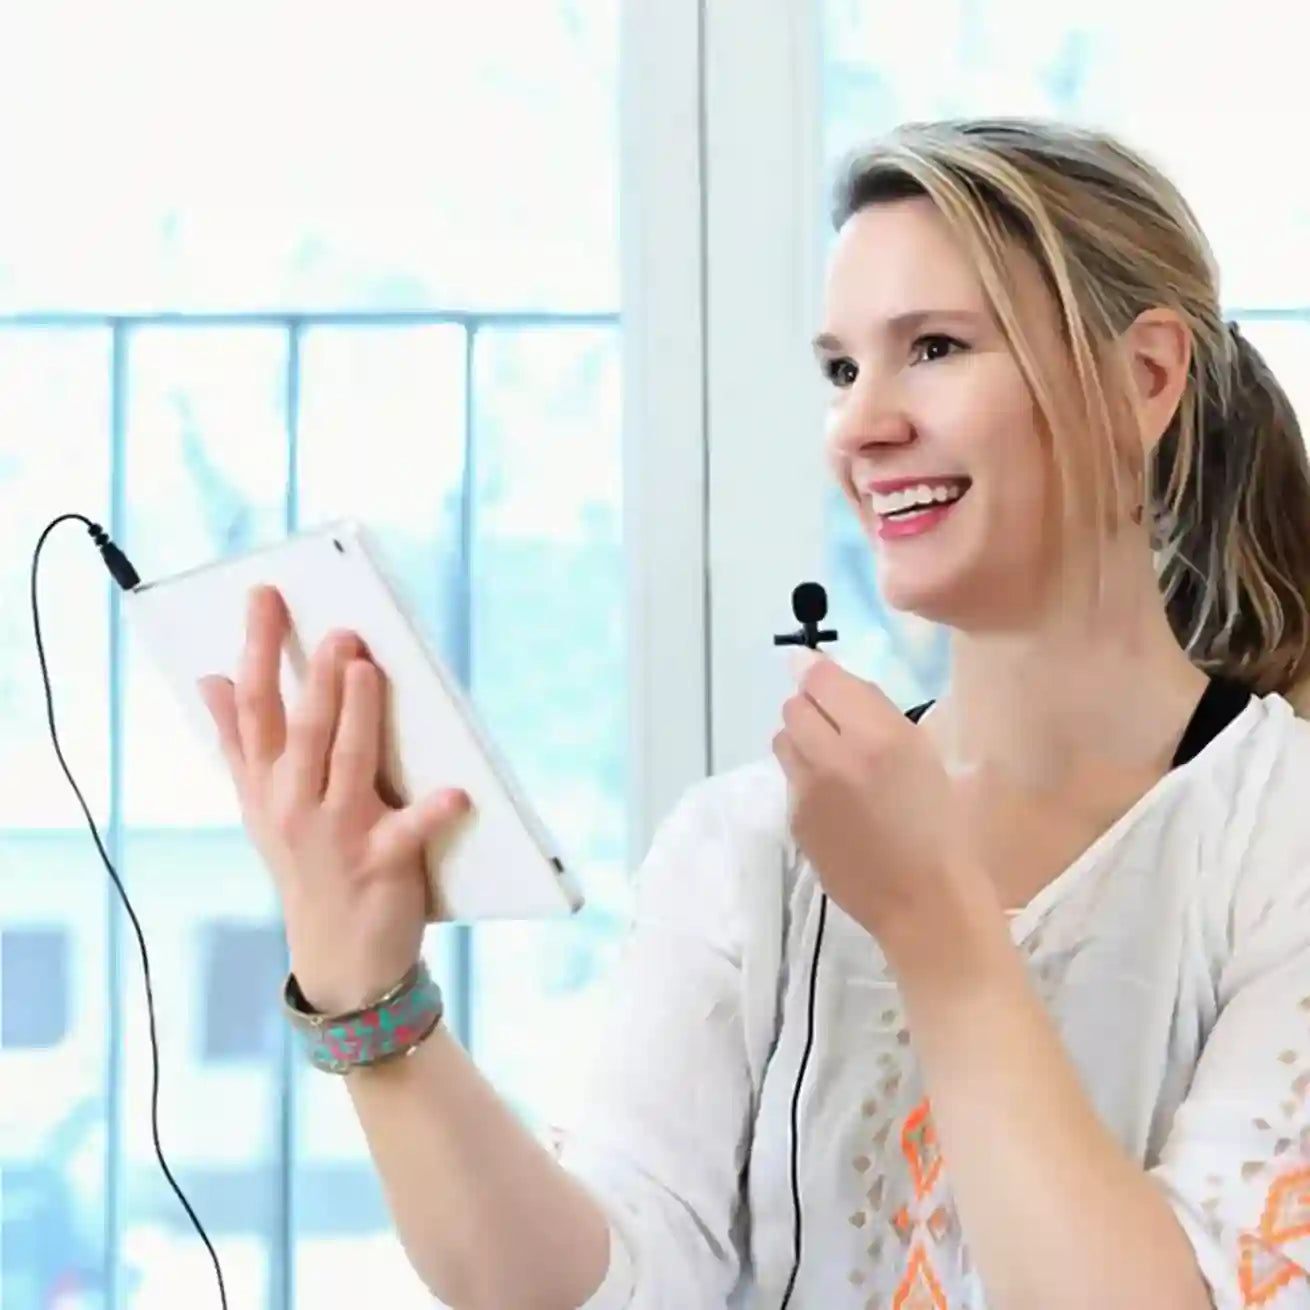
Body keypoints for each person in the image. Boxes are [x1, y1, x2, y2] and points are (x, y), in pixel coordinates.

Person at [200, 116, 1310, 1310]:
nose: (860, 424)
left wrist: (932, 922)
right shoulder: (746, 843)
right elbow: (614, 1280)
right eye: (840, 369)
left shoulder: (1275, 832)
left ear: (1142, 377)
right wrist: (373, 1000)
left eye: (932, 348)